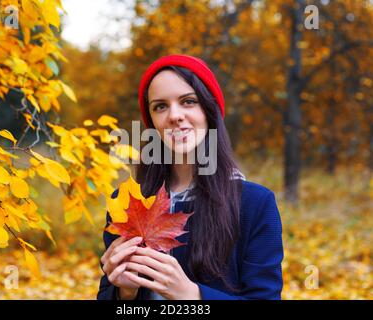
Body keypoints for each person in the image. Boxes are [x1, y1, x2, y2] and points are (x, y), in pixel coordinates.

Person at [97, 54, 284, 300]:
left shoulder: (254, 204)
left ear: (209, 110)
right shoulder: (127, 202)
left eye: (188, 101)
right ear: (152, 121)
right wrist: (125, 293)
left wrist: (193, 296)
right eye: (160, 106)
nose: (174, 115)